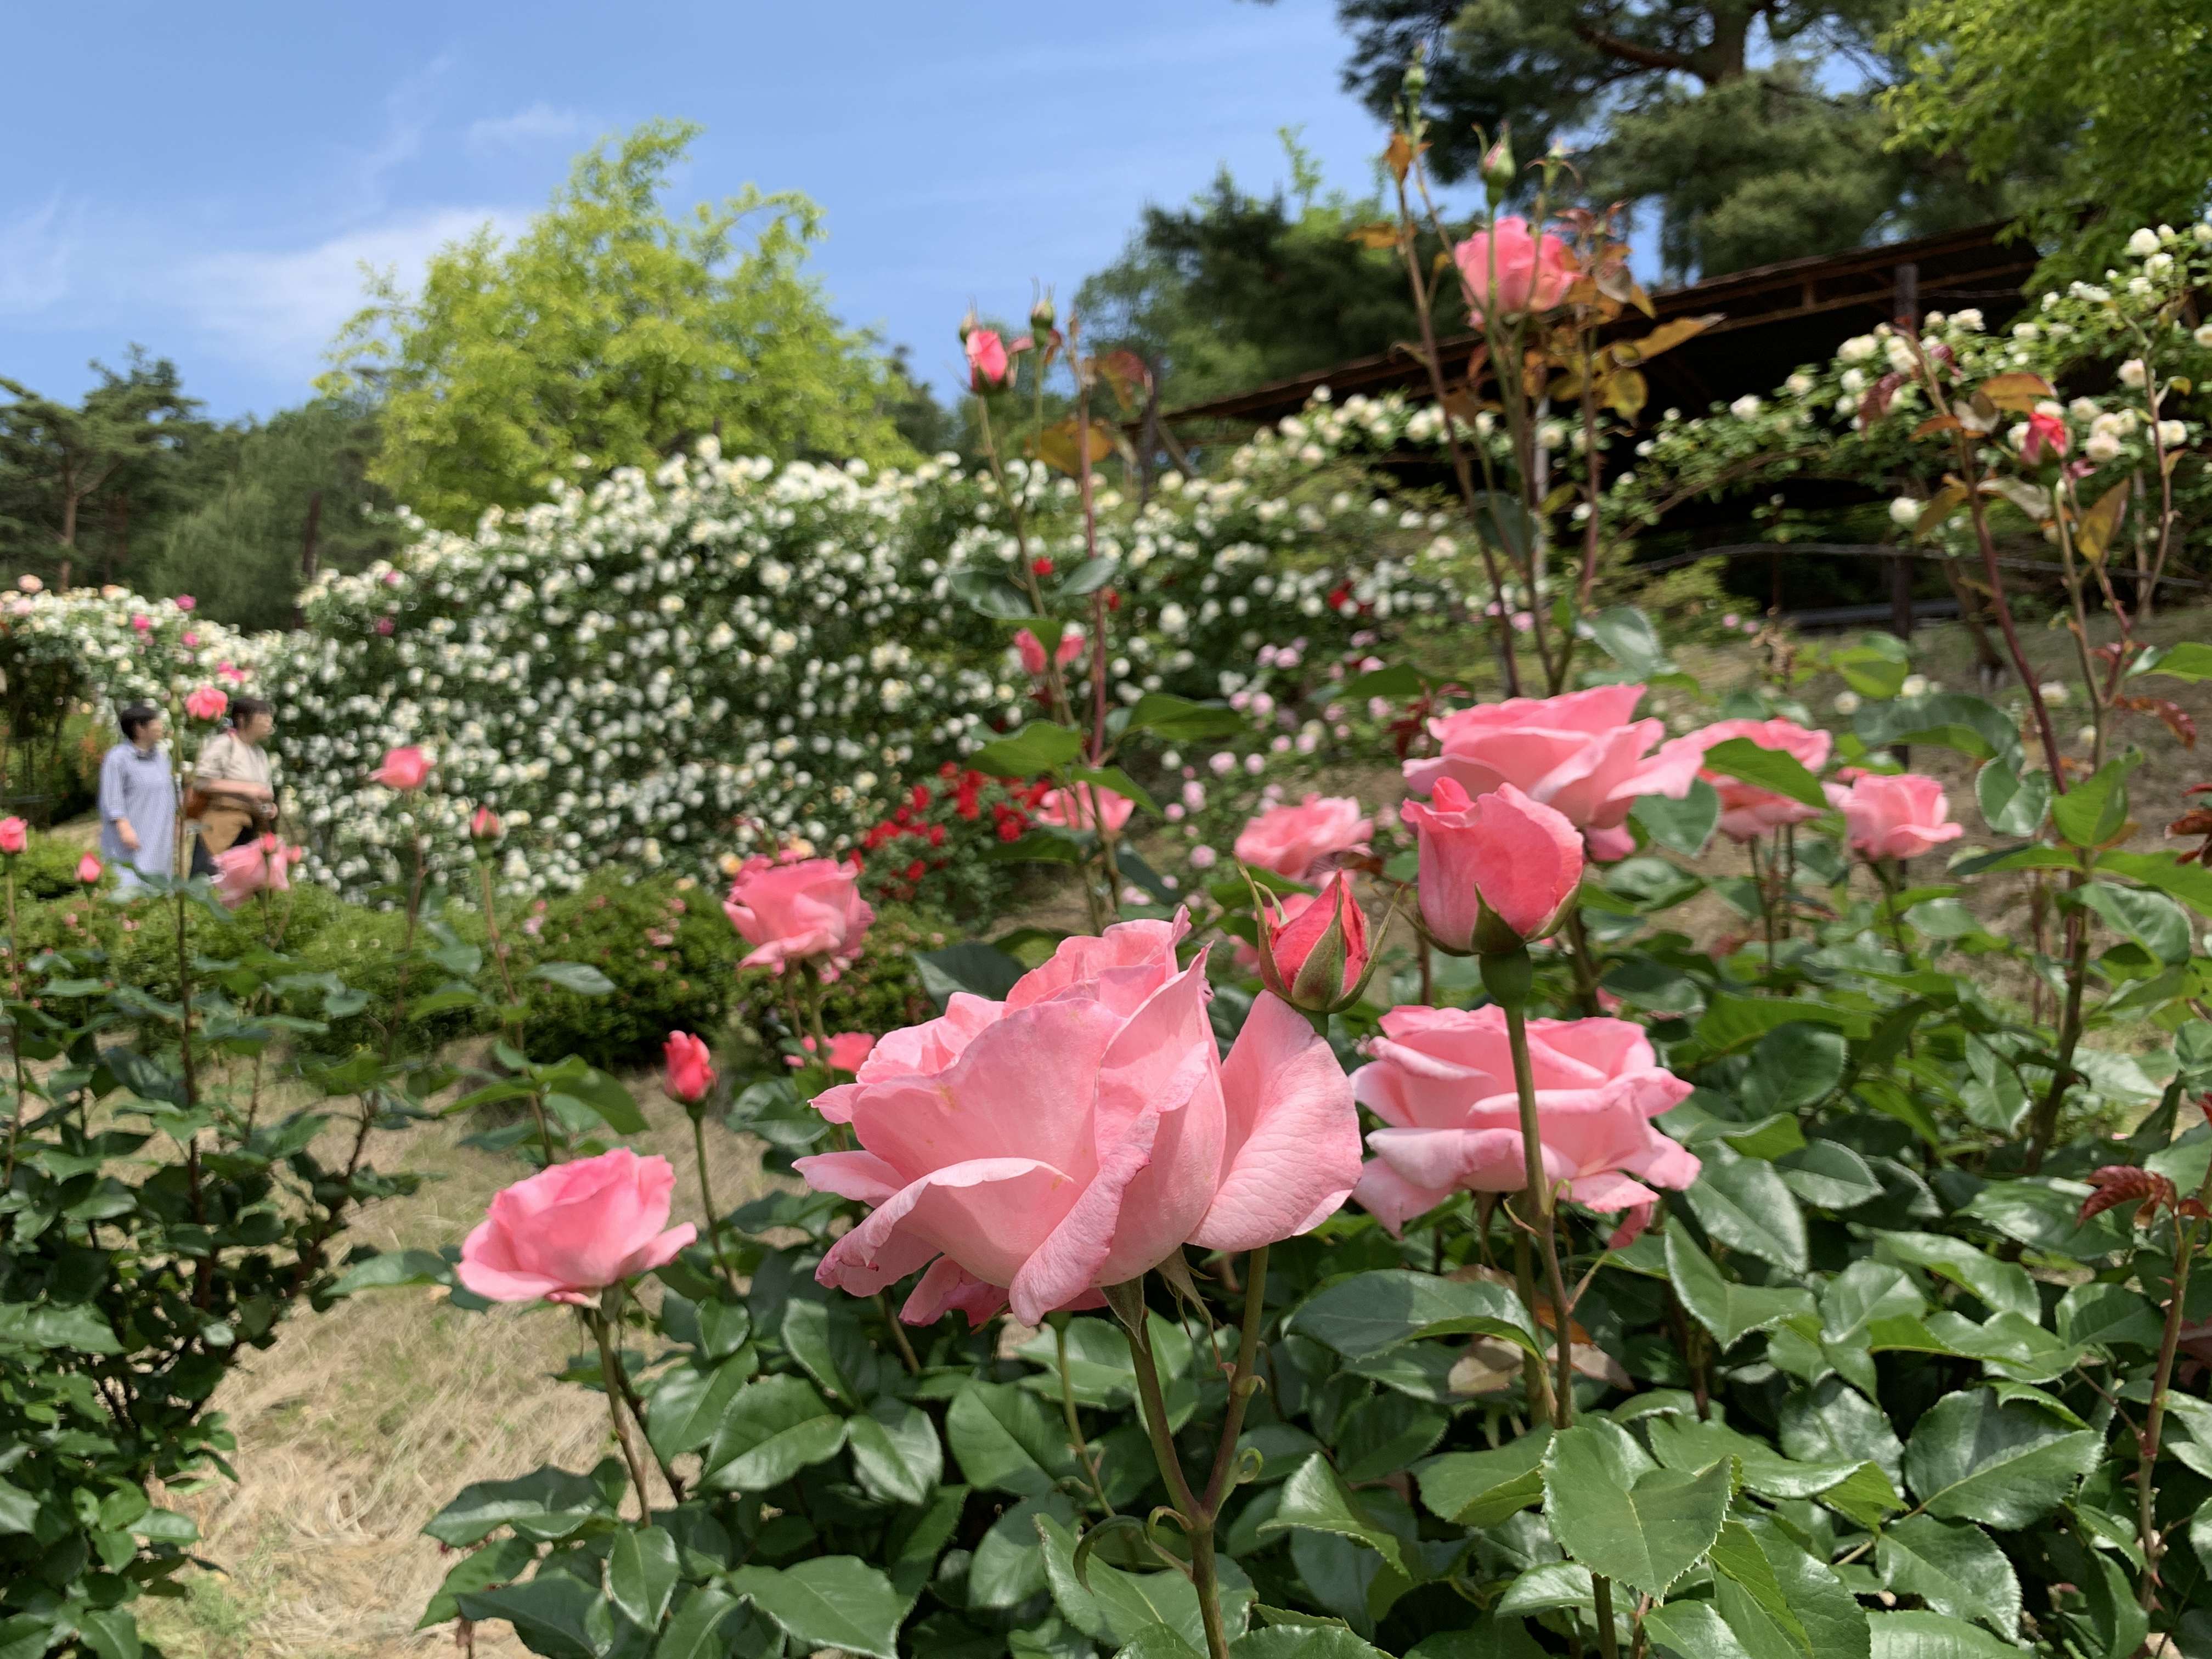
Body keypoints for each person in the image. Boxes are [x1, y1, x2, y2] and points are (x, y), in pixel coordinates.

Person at [98, 704, 178, 891]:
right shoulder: (117, 758)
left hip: (160, 831)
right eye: (155, 723)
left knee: (159, 877)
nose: (160, 727)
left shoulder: (161, 757)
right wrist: (124, 827)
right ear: (139, 729)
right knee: (131, 879)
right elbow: (111, 796)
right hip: (132, 832)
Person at [192, 696, 278, 862]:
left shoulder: (260, 753)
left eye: (269, 717)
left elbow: (265, 793)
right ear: (241, 719)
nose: (268, 722)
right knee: (212, 881)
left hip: (249, 829)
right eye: (262, 717)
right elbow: (201, 782)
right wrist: (246, 789)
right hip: (220, 828)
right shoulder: (224, 744)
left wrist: (269, 807)